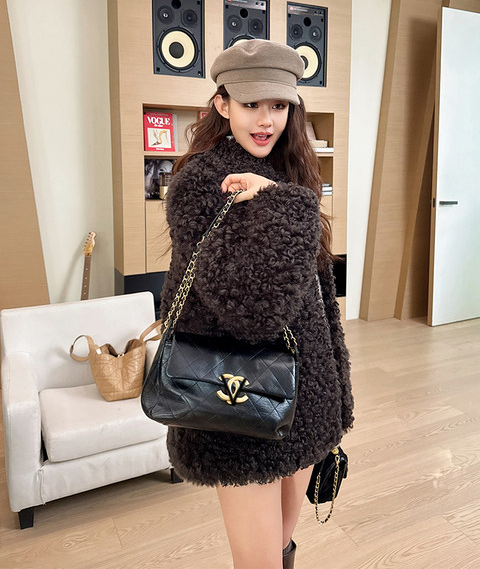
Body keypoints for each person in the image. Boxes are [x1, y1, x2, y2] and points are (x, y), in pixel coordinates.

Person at [159, 39, 354, 569]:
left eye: (278, 105)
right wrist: (284, 204)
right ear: (222, 105)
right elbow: (254, 310)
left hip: (303, 394)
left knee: (283, 544)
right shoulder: (203, 181)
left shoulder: (288, 169)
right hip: (238, 400)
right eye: (251, 104)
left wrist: (334, 392)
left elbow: (316, 298)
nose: (266, 120)